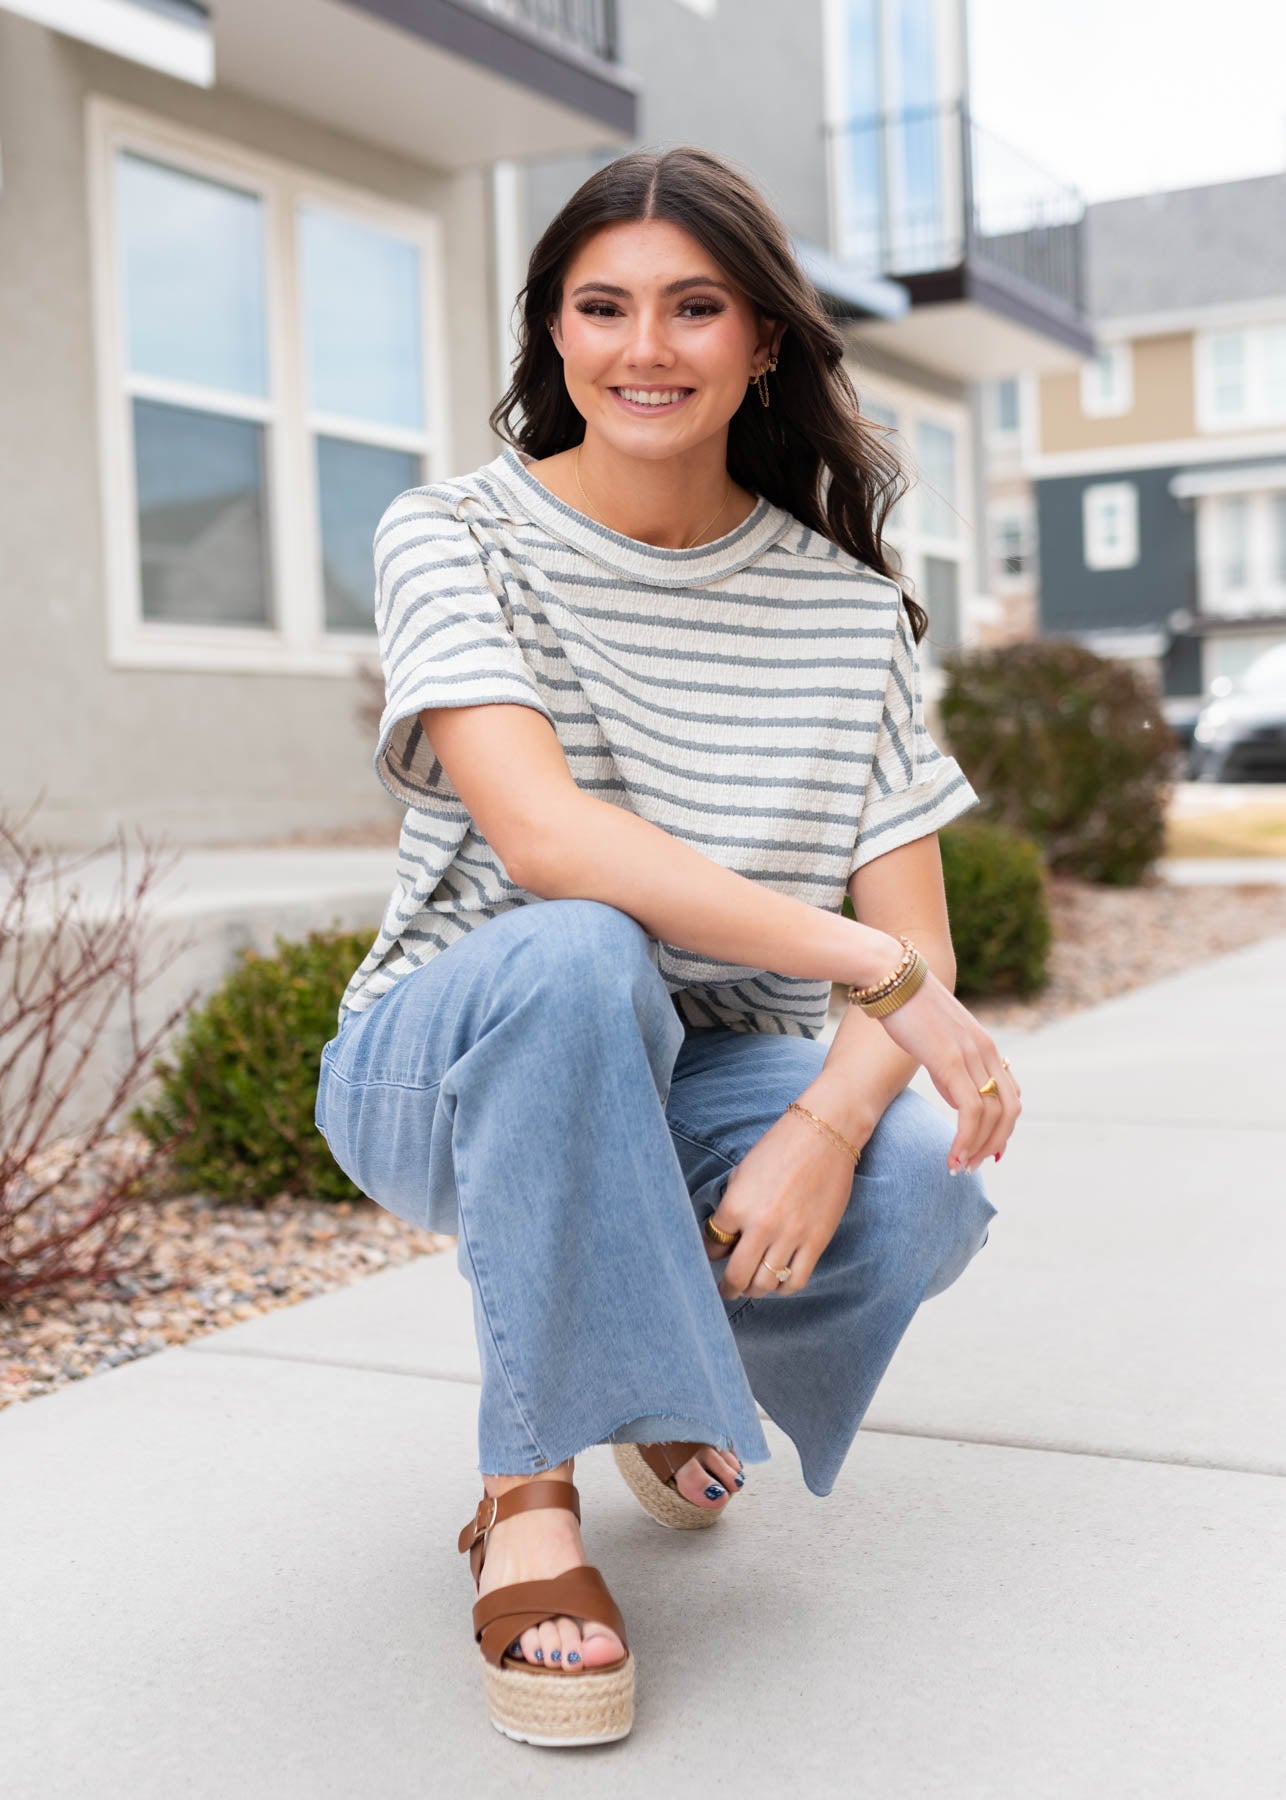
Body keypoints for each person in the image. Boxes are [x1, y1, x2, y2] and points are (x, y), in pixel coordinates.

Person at [313, 144, 1020, 1750]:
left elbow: (909, 933)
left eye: (696, 307)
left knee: (919, 1176)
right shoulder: (454, 534)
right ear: (552, 336)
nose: (648, 347)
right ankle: (528, 1493)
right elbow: (551, 845)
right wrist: (876, 980)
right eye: (603, 307)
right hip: (451, 1056)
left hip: (704, 1068)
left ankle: (635, 1365)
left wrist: (833, 1121)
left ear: (762, 340)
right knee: (575, 951)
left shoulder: (848, 610)